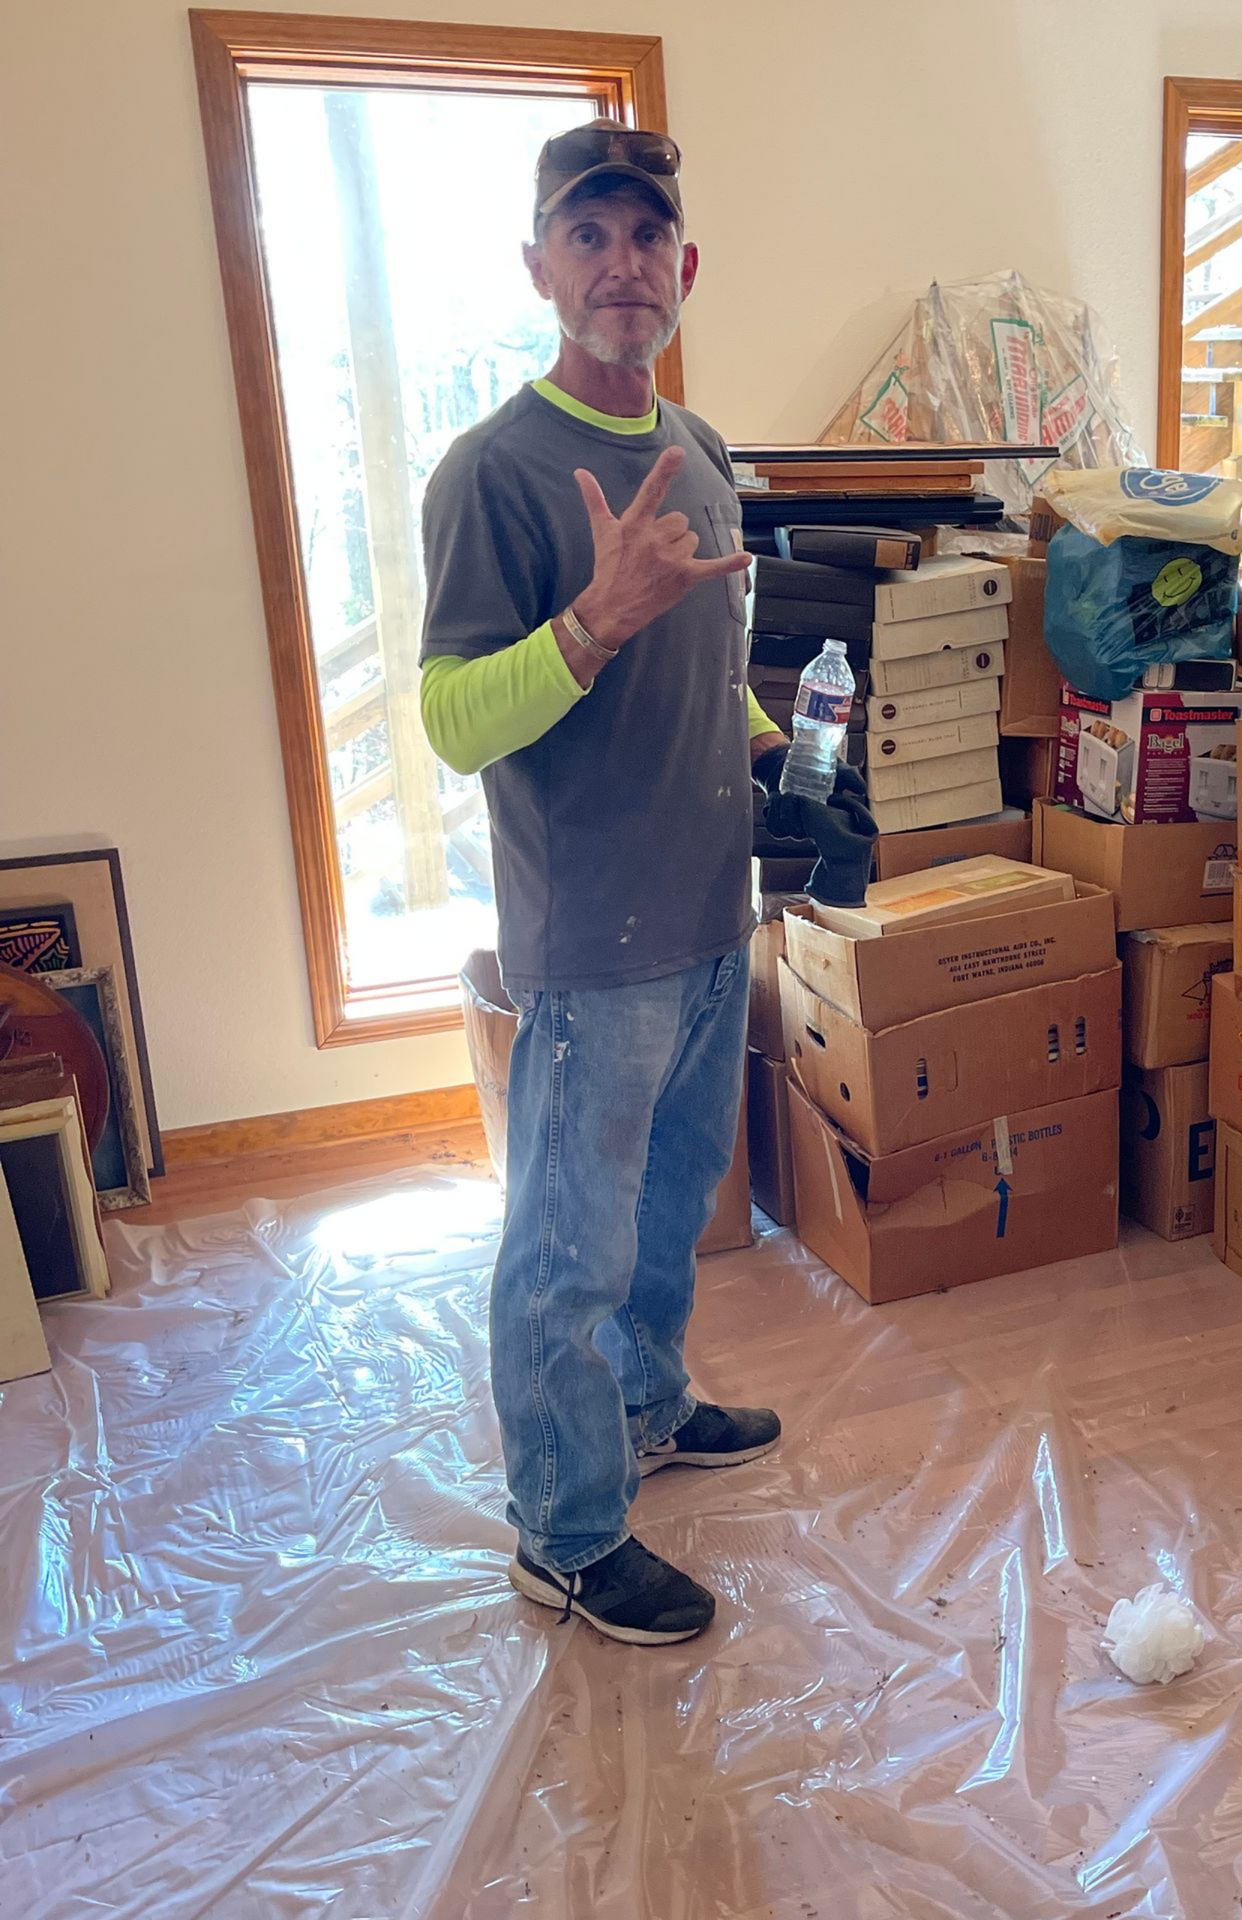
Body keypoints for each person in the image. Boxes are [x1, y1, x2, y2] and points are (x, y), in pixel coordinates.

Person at [416, 122, 870, 1646]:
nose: (620, 265)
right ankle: (564, 1529)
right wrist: (587, 626)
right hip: (589, 943)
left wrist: (788, 756)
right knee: (564, 1251)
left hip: (702, 915)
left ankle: (651, 1407)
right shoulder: (497, 473)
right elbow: (450, 721)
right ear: (541, 267)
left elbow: (709, 672)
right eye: (585, 235)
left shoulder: (707, 452)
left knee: (667, 1210)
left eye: (644, 237)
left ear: (686, 268)